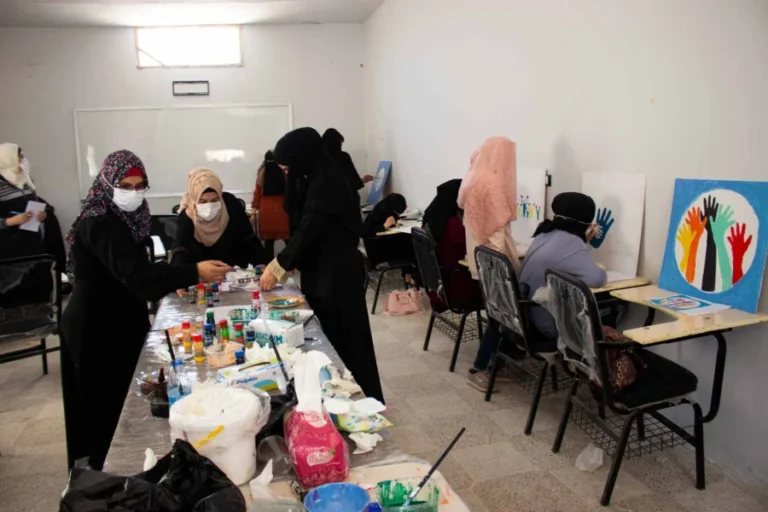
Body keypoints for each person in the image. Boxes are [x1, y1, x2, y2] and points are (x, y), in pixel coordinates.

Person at [60, 150, 231, 469]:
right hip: (96, 326)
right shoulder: (101, 223)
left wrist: (175, 274)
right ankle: (106, 474)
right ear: (107, 183)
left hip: (117, 316)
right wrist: (193, 272)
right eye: (125, 186)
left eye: (140, 186)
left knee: (121, 399)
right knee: (103, 408)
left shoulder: (125, 218)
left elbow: (137, 270)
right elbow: (137, 277)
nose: (134, 193)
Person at [259, 128, 384, 403]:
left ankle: (364, 402)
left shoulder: (328, 180)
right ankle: (335, 397)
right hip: (323, 269)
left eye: (287, 168)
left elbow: (309, 228)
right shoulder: (314, 176)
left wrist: (278, 266)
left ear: (300, 157)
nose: (286, 174)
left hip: (338, 274)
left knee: (347, 339)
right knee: (328, 338)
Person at [466, 192, 607, 392]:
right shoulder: (573, 244)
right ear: (586, 223)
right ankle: (597, 380)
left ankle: (485, 366)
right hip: (541, 325)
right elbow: (597, 279)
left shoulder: (544, 234)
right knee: (609, 313)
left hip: (517, 317)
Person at [457, 137, 521, 392]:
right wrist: (506, 268)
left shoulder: (473, 179)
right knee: (499, 316)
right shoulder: (493, 183)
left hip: (479, 258)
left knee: (495, 314)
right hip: (495, 263)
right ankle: (480, 368)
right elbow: (496, 233)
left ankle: (494, 363)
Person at [0, 143, 66, 306]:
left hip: (33, 243)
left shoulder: (25, 182)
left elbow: (34, 204)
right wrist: (11, 221)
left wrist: (42, 216)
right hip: (10, 249)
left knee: (38, 285)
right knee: (15, 292)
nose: (24, 161)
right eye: (20, 157)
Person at [172, 168, 267, 276]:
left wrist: (261, 262)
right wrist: (180, 275)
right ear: (194, 199)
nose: (209, 206)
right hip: (204, 275)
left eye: (215, 200)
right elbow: (180, 248)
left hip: (236, 271)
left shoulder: (230, 204)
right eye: (203, 201)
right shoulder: (187, 216)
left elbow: (248, 237)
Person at [421, 179, 482, 311]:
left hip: (439, 287)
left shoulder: (430, 218)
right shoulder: (453, 224)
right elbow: (472, 249)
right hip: (458, 287)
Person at [251, 151, 290, 260]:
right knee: (289, 242)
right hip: (282, 209)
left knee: (269, 244)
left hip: (266, 210)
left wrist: (253, 211)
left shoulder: (262, 173)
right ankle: (290, 264)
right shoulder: (285, 173)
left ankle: (270, 266)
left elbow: (257, 194)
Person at [322, 128, 373, 205]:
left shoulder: (319, 159)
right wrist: (362, 180)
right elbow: (354, 183)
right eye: (340, 144)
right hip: (347, 203)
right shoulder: (343, 157)